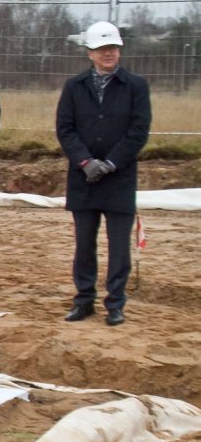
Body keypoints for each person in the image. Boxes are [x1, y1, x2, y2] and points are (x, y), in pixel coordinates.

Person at [56, 21, 151, 326]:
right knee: (84, 245)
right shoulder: (74, 87)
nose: (108, 53)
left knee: (119, 247)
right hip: (83, 179)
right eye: (101, 49)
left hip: (118, 180)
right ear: (90, 53)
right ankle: (84, 300)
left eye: (112, 48)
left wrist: (110, 163)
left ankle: (115, 303)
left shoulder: (136, 86)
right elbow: (65, 129)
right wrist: (85, 161)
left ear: (119, 50)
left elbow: (138, 131)